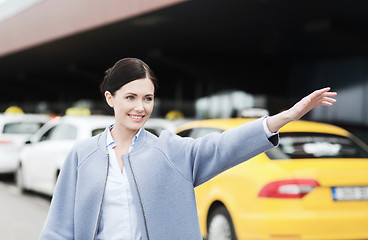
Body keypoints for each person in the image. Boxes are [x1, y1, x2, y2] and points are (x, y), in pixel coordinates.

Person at [40, 58, 337, 240]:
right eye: (130, 97)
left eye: (148, 98)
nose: (140, 107)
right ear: (110, 98)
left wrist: (284, 118)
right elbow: (59, 227)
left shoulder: (171, 151)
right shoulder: (83, 155)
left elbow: (225, 145)